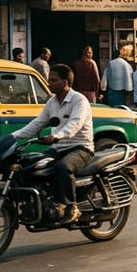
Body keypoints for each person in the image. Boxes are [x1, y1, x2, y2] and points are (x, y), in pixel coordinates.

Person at [10, 64, 93, 223]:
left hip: (81, 148)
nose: (49, 83)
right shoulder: (52, 102)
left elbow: (75, 124)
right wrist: (13, 137)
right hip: (58, 148)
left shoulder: (79, 100)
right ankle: (33, 204)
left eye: (53, 80)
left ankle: (72, 206)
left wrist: (57, 136)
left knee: (63, 167)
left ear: (65, 82)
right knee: (27, 167)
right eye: (49, 79)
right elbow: (37, 123)